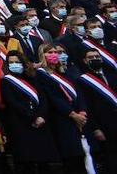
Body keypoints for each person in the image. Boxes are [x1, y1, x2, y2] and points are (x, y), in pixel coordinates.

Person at [0, 51, 59, 174]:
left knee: (44, 162)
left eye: (17, 62)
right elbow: (13, 103)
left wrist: (41, 115)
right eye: (11, 63)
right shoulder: (6, 81)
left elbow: (43, 99)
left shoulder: (33, 78)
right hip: (22, 125)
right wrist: (33, 117)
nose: (14, 64)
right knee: (26, 164)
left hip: (40, 124)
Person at [34, 43, 87, 172]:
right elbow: (52, 97)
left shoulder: (64, 72)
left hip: (79, 118)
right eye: (50, 52)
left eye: (56, 52)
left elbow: (78, 93)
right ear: (43, 55)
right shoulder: (41, 74)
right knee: (71, 158)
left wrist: (82, 112)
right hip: (62, 118)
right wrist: (73, 114)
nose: (54, 55)